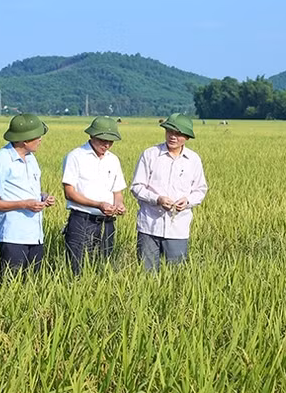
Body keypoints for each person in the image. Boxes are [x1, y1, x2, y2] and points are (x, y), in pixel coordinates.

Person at [130, 113, 208, 271]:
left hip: (178, 228)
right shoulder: (150, 154)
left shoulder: (193, 160)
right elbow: (137, 186)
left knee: (176, 275)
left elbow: (200, 190)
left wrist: (187, 202)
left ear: (187, 137)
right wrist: (157, 199)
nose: (173, 136)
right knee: (146, 274)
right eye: (169, 131)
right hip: (149, 226)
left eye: (178, 134)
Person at [0, 113, 56, 277]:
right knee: (11, 284)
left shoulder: (31, 159)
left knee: (34, 283)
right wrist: (24, 204)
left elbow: (26, 190)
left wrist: (42, 197)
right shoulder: (1, 160)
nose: (40, 140)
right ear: (25, 139)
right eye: (37, 136)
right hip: (13, 235)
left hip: (35, 234)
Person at [61, 116, 127, 275]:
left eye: (111, 141)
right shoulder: (76, 156)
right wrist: (98, 204)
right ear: (91, 136)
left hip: (107, 222)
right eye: (102, 140)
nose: (107, 145)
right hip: (82, 220)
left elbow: (117, 192)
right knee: (77, 268)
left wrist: (118, 204)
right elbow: (69, 193)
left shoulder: (113, 160)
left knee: (104, 267)